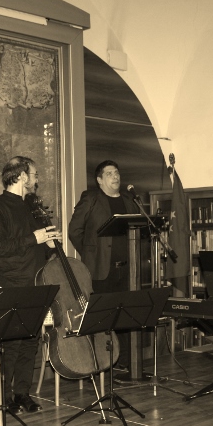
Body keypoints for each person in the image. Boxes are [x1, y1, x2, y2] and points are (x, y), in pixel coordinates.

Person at [0, 156, 59, 414]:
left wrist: (49, 244)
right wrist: (33, 238)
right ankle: (4, 398)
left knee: (30, 341)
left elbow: (36, 246)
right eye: (34, 175)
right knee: (12, 344)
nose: (36, 180)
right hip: (10, 284)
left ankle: (22, 394)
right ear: (23, 176)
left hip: (35, 282)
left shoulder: (31, 207)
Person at [68, 160, 140, 376]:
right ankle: (104, 363)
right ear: (99, 180)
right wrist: (90, 253)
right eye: (109, 173)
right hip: (101, 270)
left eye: (116, 172)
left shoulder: (129, 200)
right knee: (104, 317)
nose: (115, 176)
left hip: (128, 270)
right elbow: (74, 230)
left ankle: (125, 362)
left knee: (126, 316)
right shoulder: (91, 199)